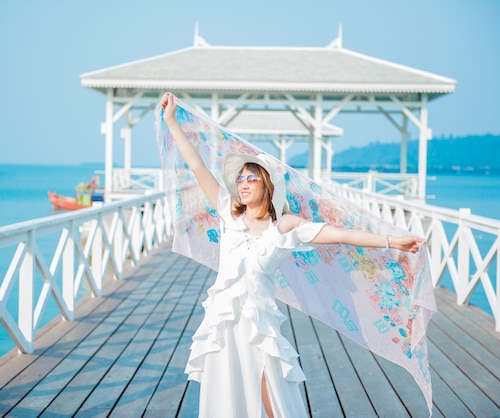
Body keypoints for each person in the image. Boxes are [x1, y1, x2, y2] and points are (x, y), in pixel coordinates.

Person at [161, 93, 424, 418]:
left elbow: (339, 234)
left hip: (258, 323)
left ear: (267, 184)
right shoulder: (229, 212)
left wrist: (393, 241)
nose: (242, 184)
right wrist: (172, 121)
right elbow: (196, 164)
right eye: (240, 178)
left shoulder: (283, 226)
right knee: (225, 395)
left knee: (269, 396)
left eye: (251, 178)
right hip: (222, 321)